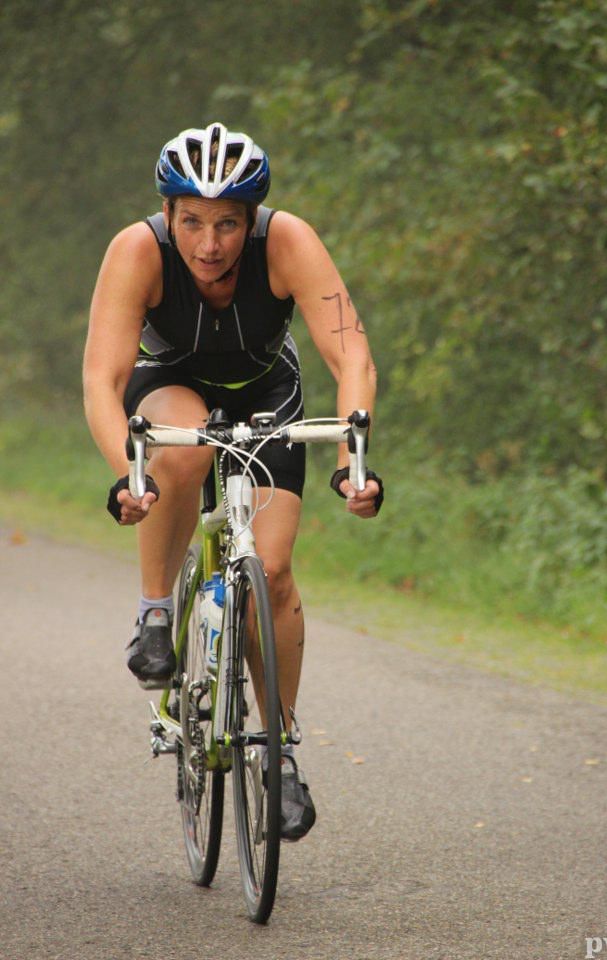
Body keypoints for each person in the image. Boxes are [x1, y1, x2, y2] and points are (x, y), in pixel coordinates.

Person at [83, 121, 383, 841]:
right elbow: (102, 379)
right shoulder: (136, 251)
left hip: (267, 394)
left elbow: (353, 359)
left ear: (251, 221)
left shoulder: (288, 242)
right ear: (167, 213)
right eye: (191, 221)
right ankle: (156, 613)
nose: (209, 244)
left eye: (226, 224)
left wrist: (354, 462)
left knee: (272, 574)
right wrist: (129, 474)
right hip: (171, 387)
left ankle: (278, 754)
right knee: (184, 451)